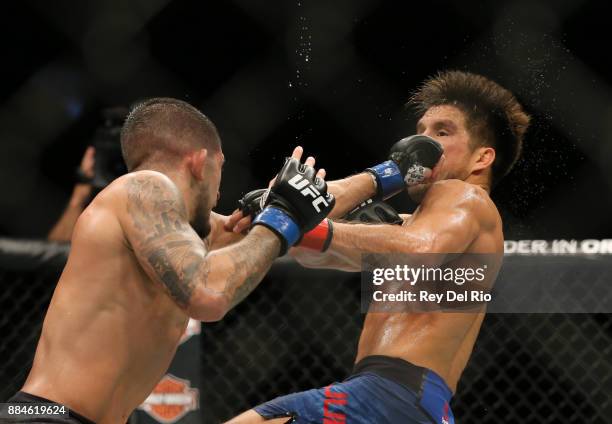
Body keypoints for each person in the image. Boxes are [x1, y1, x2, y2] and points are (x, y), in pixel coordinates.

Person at [226, 71, 530, 424]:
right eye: (422, 131)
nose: (423, 143)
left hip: (388, 395)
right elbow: (311, 253)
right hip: (410, 404)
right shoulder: (406, 226)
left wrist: (294, 218)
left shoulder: (467, 197)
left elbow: (420, 250)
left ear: (482, 158)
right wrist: (286, 207)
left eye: (442, 132)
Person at [9, 98, 334, 424]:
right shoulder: (144, 188)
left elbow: (289, 221)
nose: (220, 191)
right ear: (199, 161)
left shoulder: (178, 231)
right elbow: (208, 294)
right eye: (220, 168)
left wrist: (377, 179)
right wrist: (283, 216)